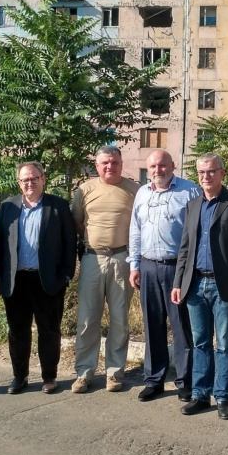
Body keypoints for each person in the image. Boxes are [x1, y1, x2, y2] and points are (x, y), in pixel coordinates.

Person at [171, 153, 228, 420]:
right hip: (194, 284)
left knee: (225, 344)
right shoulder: (192, 205)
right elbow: (185, 248)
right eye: (202, 172)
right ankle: (200, 394)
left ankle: (223, 398)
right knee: (201, 343)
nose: (206, 176)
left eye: (211, 171)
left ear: (222, 173)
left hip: (224, 286)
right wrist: (178, 282)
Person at [0, 161, 77, 395]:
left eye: (34, 178)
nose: (29, 183)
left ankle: (49, 377)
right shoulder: (8, 206)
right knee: (17, 331)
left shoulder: (58, 206)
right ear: (19, 183)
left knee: (49, 330)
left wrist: (66, 275)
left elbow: (70, 242)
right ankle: (19, 377)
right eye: (24, 180)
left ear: (43, 178)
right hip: (15, 280)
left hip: (47, 280)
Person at [128, 150, 200, 402]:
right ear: (148, 170)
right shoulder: (142, 193)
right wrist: (134, 265)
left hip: (176, 268)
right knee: (152, 325)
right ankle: (154, 380)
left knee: (181, 326)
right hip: (148, 266)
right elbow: (135, 230)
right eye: (153, 166)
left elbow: (197, 232)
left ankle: (184, 381)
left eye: (162, 165)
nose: (158, 170)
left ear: (173, 165)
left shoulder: (190, 191)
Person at [72, 146, 140, 393]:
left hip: (123, 258)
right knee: (88, 319)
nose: (109, 166)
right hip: (92, 259)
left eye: (114, 162)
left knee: (120, 319)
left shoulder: (135, 190)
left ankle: (114, 373)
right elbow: (78, 222)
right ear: (96, 165)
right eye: (104, 163)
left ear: (121, 163)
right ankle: (84, 373)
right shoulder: (84, 190)